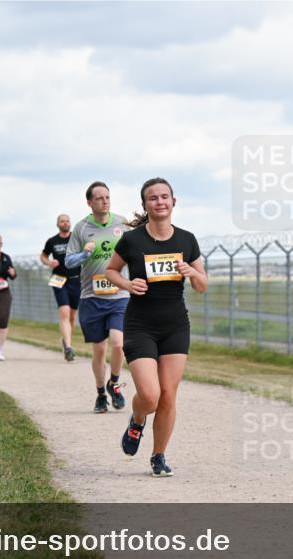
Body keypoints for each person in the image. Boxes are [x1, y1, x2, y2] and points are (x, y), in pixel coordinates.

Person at [104, 177, 207, 477]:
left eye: (165, 197)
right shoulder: (133, 240)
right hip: (140, 325)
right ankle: (137, 420)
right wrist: (126, 282)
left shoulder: (187, 240)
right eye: (153, 198)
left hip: (175, 325)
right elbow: (111, 270)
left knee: (168, 395)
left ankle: (158, 456)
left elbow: (202, 285)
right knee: (150, 395)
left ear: (174, 202)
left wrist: (191, 272)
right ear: (145, 205)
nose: (159, 202)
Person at [65, 181, 130, 414]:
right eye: (100, 198)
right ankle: (101, 393)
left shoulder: (123, 224)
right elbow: (69, 261)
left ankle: (114, 384)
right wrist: (84, 254)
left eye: (108, 197)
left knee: (118, 342)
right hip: (91, 296)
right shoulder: (81, 229)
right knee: (99, 350)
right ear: (90, 202)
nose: (105, 201)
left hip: (119, 294)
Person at [41, 214, 81, 361]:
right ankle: (69, 348)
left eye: (67, 221)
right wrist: (48, 263)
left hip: (76, 280)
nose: (65, 223)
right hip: (58, 279)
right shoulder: (52, 241)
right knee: (64, 311)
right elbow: (43, 255)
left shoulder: (76, 239)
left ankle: (66, 340)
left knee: (72, 315)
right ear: (57, 224)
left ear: (70, 223)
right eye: (62, 221)